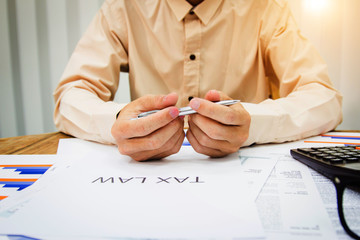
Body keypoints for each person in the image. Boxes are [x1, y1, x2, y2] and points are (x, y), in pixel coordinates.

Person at [53, 0, 342, 161]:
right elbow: (71, 96)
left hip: (247, 170)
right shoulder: (124, 8)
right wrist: (117, 122)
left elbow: (324, 98)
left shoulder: (265, 8)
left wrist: (252, 123)